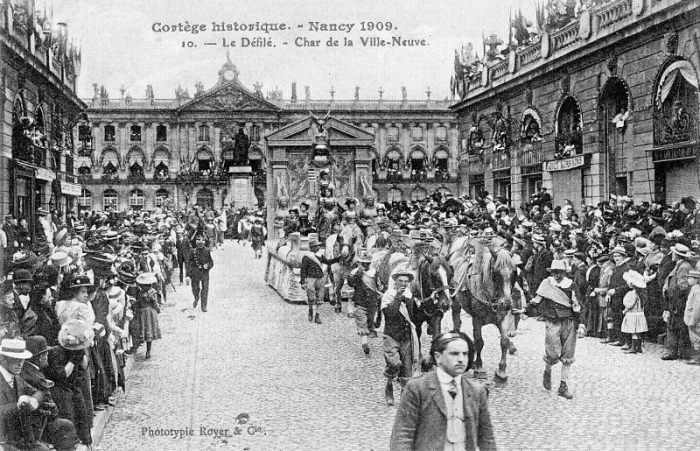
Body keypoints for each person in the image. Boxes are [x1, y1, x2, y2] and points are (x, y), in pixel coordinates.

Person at [389, 331, 497, 451]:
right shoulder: (417, 388)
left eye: (465, 354)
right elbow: (402, 435)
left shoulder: (477, 391)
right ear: (438, 357)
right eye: (454, 354)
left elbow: (487, 439)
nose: (461, 359)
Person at [524, 259, 581, 400]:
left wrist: (581, 324)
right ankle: (548, 370)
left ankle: (563, 385)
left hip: (569, 321)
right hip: (552, 321)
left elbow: (578, 305)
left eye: (559, 272)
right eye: (554, 272)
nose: (557, 275)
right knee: (552, 353)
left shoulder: (571, 285)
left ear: (564, 273)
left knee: (568, 354)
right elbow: (537, 300)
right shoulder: (547, 284)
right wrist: (525, 310)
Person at [21, 335, 81, 451]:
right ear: (39, 358)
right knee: (67, 425)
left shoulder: (30, 370)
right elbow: (44, 398)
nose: (47, 358)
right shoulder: (35, 376)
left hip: (40, 417)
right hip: (41, 422)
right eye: (46, 355)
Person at [0, 338, 51, 451]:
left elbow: (38, 392)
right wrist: (17, 406)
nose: (20, 364)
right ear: (3, 359)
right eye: (15, 359)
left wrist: (34, 400)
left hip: (22, 439)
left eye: (22, 360)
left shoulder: (16, 377)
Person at [381, 267, 419, 406]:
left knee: (406, 370)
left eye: (406, 281)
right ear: (395, 282)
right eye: (400, 281)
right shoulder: (388, 296)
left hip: (406, 336)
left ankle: (404, 396)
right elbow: (390, 314)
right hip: (391, 336)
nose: (403, 284)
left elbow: (415, 316)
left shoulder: (410, 296)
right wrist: (398, 297)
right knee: (394, 364)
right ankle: (389, 385)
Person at [661, 243, 693, 360]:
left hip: (678, 301)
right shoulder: (679, 265)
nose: (672, 254)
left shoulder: (683, 267)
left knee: (678, 326)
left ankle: (678, 352)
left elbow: (682, 286)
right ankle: (675, 351)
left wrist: (670, 294)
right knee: (673, 325)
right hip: (674, 300)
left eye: (674, 253)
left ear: (678, 255)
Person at [346, 249, 381, 355]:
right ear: (359, 263)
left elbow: (379, 286)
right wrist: (358, 274)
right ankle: (364, 343)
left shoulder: (374, 273)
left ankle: (370, 331)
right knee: (362, 322)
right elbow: (351, 283)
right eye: (363, 263)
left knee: (370, 320)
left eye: (367, 263)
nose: (365, 265)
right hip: (359, 302)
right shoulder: (354, 272)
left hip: (372, 302)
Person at [299, 236, 336, 325]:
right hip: (310, 278)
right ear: (312, 248)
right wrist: (303, 281)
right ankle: (311, 309)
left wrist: (337, 258)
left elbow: (328, 262)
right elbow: (303, 270)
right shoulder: (307, 257)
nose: (318, 247)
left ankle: (317, 315)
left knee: (320, 297)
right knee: (311, 297)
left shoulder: (320, 255)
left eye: (318, 246)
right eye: (316, 246)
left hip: (320, 278)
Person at [133, 273, 161, 359]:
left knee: (143, 329)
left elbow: (138, 303)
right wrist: (158, 310)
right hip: (150, 313)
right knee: (149, 331)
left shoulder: (140, 292)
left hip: (142, 312)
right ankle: (148, 351)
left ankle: (140, 347)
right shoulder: (153, 292)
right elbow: (155, 304)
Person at [620, 270, 648, 354]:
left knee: (633, 332)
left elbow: (630, 305)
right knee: (638, 332)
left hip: (633, 314)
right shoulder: (641, 294)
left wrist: (625, 311)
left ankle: (633, 347)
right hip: (640, 314)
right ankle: (638, 347)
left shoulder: (632, 293)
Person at [187, 233, 213, 312]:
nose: (200, 242)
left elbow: (211, 262)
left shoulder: (207, 250)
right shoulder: (192, 251)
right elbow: (188, 264)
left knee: (205, 289)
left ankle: (204, 306)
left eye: (202, 240)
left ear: (205, 241)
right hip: (195, 272)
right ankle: (196, 297)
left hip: (204, 273)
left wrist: (207, 266)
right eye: (198, 240)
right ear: (195, 241)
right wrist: (187, 275)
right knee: (195, 288)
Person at [683, 269, 700, 365]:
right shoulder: (694, 289)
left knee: (696, 338)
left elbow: (697, 307)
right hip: (690, 319)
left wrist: (693, 320)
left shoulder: (697, 291)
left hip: (695, 320)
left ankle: (697, 358)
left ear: (696, 280)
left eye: (690, 278)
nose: (688, 280)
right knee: (694, 338)